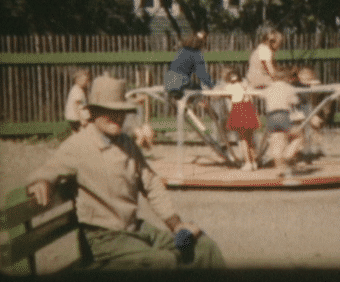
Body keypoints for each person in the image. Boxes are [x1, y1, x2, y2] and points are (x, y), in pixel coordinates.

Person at [26, 74, 226, 269]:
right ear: (93, 112)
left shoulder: (126, 143)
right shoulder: (79, 146)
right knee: (163, 262)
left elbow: (151, 183)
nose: (117, 117)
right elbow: (47, 170)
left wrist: (176, 225)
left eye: (121, 111)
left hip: (136, 229)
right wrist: (43, 181)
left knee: (204, 248)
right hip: (104, 239)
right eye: (109, 111)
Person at [263, 69, 305, 177]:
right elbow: (295, 101)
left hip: (271, 116)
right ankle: (288, 154)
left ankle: (280, 169)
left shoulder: (269, 89)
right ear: (285, 79)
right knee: (298, 136)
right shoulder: (289, 88)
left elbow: (262, 96)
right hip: (283, 115)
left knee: (277, 141)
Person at [224, 69, 261, 171]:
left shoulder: (229, 86)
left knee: (243, 140)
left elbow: (228, 96)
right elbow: (251, 98)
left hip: (239, 109)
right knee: (249, 139)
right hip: (248, 108)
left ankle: (248, 162)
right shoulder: (245, 84)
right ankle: (253, 162)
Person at [164, 30, 215, 101]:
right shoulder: (196, 54)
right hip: (181, 83)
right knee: (198, 91)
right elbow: (201, 73)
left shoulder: (181, 50)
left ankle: (185, 109)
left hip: (168, 81)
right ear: (202, 43)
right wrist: (210, 84)